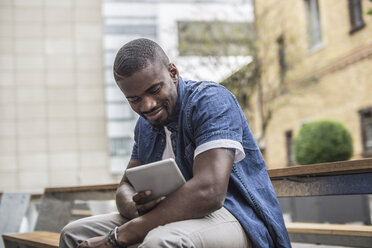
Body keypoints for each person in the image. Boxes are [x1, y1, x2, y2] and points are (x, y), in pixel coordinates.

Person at [60, 38, 291, 248]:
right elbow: (125, 187)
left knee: (161, 242)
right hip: (171, 216)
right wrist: (136, 208)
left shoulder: (210, 101)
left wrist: (121, 235)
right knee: (74, 234)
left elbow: (209, 191)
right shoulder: (144, 126)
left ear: (172, 72)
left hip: (236, 217)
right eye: (134, 99)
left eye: (154, 90)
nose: (147, 105)